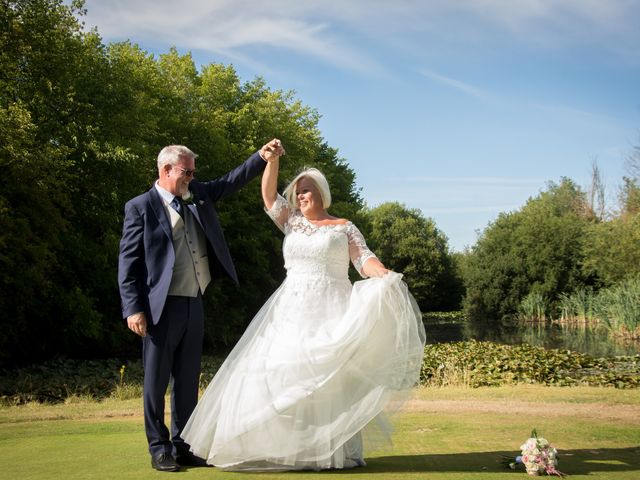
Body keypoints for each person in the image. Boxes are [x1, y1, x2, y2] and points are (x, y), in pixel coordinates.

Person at [181, 151, 426, 470]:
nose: (300, 195)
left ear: (321, 193)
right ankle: (284, 447)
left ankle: (328, 451)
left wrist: (383, 273)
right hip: (290, 308)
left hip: (334, 308)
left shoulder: (344, 227)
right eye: (297, 191)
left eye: (306, 190)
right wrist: (271, 160)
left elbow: (363, 259)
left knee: (330, 379)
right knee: (281, 371)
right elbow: (268, 196)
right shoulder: (291, 222)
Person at [117, 139, 285, 472]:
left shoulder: (197, 193)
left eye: (193, 173)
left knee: (187, 379)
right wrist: (132, 308)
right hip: (158, 308)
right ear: (166, 169)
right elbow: (128, 261)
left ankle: (182, 445)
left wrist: (261, 157)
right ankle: (159, 447)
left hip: (194, 302)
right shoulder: (140, 207)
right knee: (155, 381)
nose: (192, 178)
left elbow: (229, 181)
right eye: (186, 172)